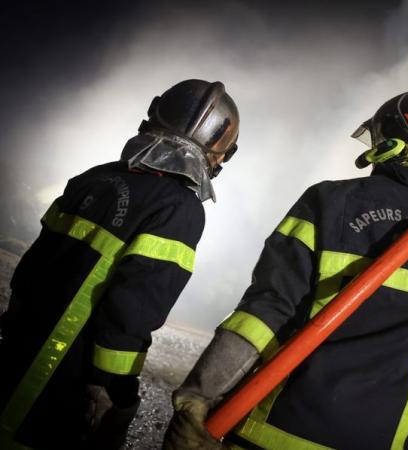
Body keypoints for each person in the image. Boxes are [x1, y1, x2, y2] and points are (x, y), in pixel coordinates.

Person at [163, 89, 408, 450]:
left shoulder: (329, 202)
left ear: (393, 145)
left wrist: (199, 395)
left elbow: (265, 310)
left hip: (270, 433)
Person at [0, 79, 240, 450]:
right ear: (218, 153)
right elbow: (132, 312)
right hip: (66, 378)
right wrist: (114, 391)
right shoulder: (180, 209)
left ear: (153, 116)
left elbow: (32, 267)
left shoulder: (93, 177)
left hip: (16, 348)